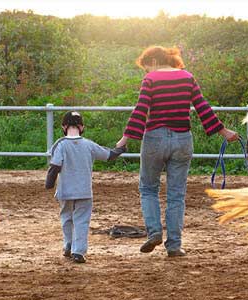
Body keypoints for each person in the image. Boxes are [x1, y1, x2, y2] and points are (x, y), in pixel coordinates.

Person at [115, 46, 238, 257]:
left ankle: (154, 232)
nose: (146, 72)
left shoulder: (151, 79)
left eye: (146, 68)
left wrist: (124, 139)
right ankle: (174, 245)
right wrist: (224, 131)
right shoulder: (187, 78)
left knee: (148, 189)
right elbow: (202, 107)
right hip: (183, 140)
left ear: (153, 61)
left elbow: (141, 110)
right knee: (176, 195)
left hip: (155, 138)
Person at [46, 111, 126, 263]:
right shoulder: (89, 144)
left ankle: (68, 245)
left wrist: (49, 183)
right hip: (84, 192)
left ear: (64, 126)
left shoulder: (60, 144)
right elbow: (108, 155)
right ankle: (79, 251)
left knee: (66, 219)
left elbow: (54, 166)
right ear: (82, 127)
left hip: (65, 192)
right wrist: (120, 149)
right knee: (81, 221)